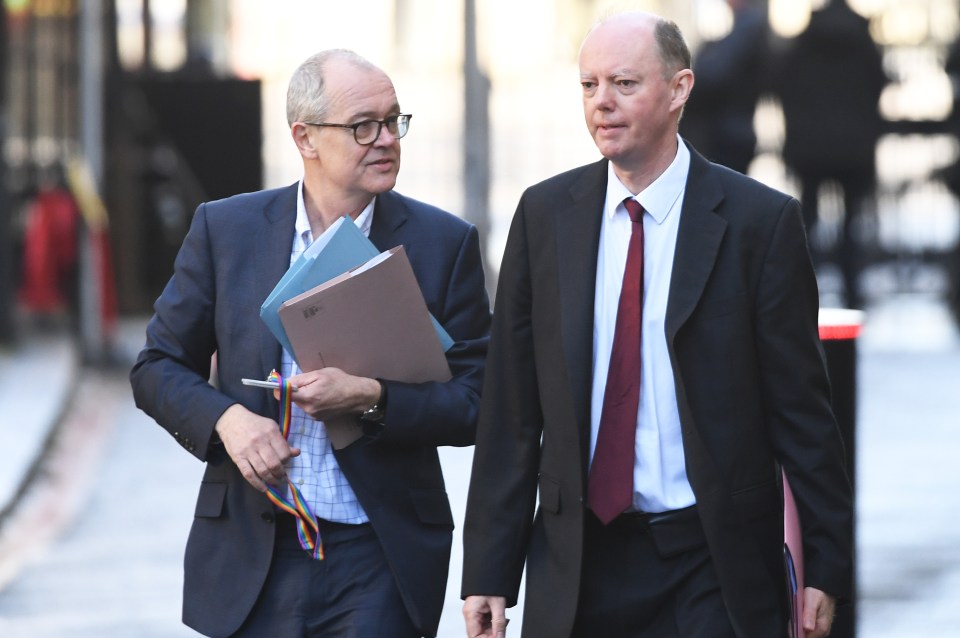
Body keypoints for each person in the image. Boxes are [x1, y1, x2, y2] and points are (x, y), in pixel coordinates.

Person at [461, 12, 851, 638]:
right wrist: (489, 569)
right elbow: (511, 408)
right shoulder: (544, 217)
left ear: (679, 89)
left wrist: (827, 566)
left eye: (623, 83)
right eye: (588, 87)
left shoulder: (759, 224)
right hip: (582, 562)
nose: (602, 104)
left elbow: (802, 414)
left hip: (711, 560)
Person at [130, 49, 490, 638]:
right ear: (305, 137)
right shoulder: (227, 231)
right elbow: (157, 367)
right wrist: (229, 422)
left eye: (394, 121)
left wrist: (373, 397)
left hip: (380, 552)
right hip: (255, 549)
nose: (386, 140)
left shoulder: (442, 244)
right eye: (362, 126)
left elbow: (477, 401)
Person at [772, 0, 887, 308]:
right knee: (851, 224)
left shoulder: (804, 40)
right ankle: (852, 293)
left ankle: (805, 293)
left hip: (810, 148)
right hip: (854, 148)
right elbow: (877, 86)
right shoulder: (864, 41)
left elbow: (784, 87)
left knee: (808, 221)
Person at [680, 0, 770, 175]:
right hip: (730, 130)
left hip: (728, 134)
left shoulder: (748, 25)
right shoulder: (746, 25)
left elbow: (715, 74)